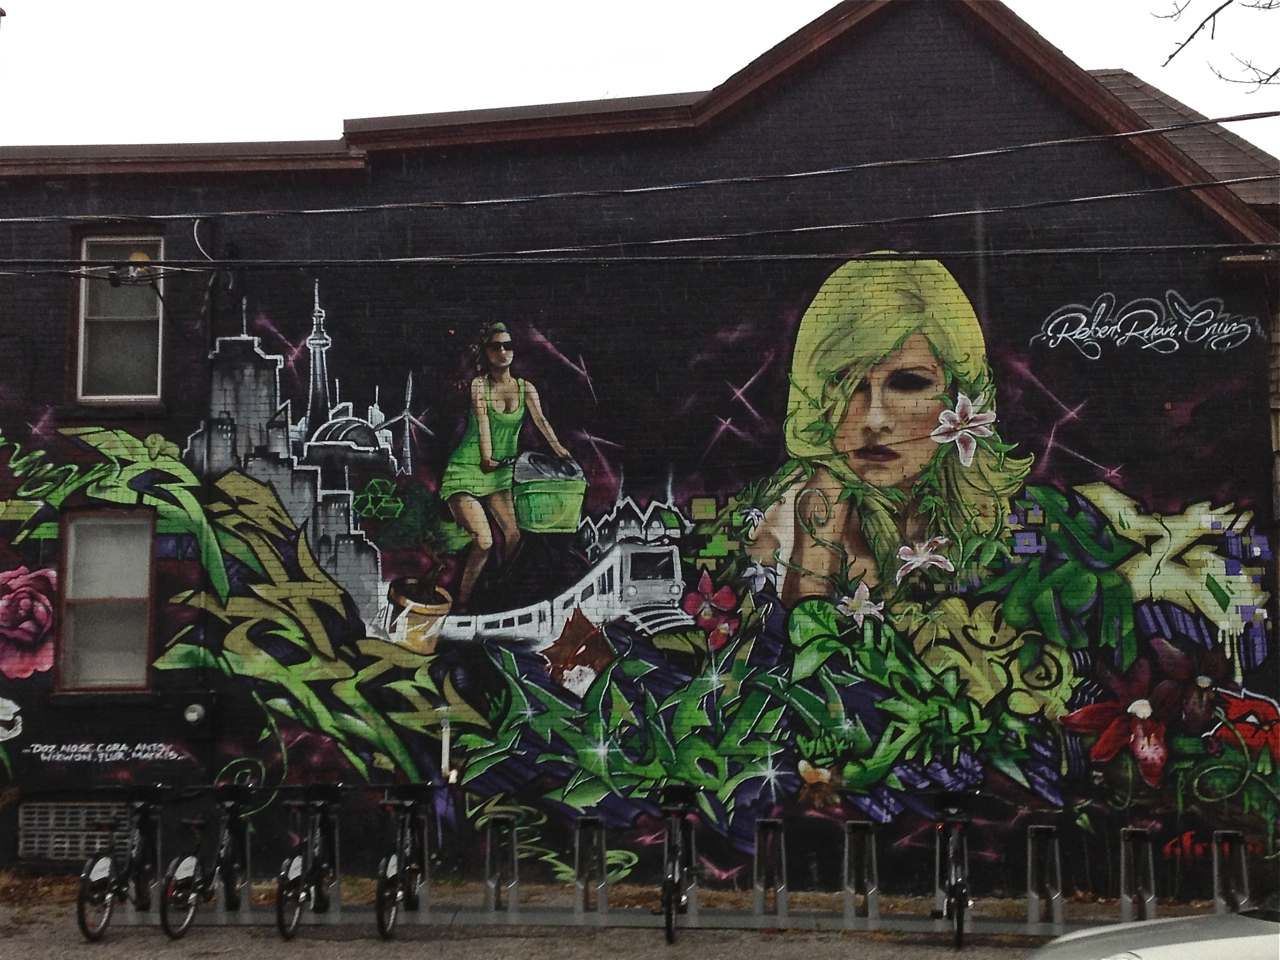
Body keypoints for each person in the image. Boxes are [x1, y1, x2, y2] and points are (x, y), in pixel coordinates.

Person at [746, 256, 1031, 605]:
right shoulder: (779, 527)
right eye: (849, 384)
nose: (874, 419)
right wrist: (816, 556)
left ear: (961, 396)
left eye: (908, 383)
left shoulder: (1007, 520)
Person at [440, 324, 570, 608]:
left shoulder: (526, 388)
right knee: (484, 541)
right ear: (486, 352)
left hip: (500, 475)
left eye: (508, 345)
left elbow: (542, 422)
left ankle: (502, 594)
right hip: (467, 471)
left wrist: (561, 451)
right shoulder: (479, 385)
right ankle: (462, 604)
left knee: (515, 537)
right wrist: (486, 458)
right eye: (495, 346)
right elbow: (483, 422)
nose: (502, 351)